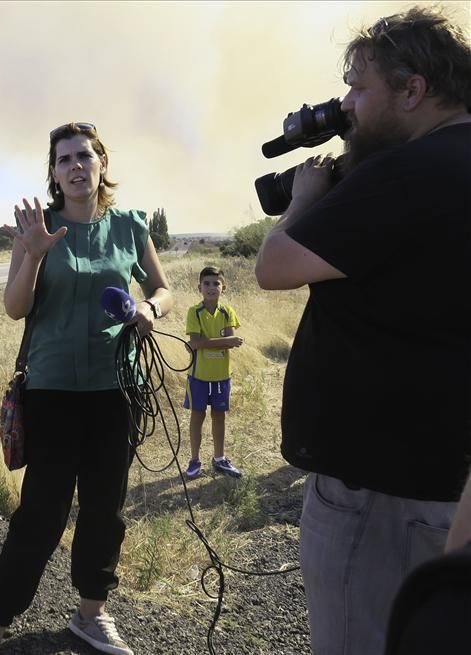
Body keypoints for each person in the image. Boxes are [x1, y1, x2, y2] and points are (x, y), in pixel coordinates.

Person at [254, 7, 471, 654]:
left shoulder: (404, 174)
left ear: (413, 90)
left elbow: (274, 267)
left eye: (357, 86)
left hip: (379, 495)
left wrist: (303, 198)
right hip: (444, 484)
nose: (344, 103)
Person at [0, 122, 174, 655]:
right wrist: (32, 253)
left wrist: (149, 307)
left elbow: (164, 289)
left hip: (116, 388)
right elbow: (16, 308)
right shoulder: (38, 228)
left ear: (102, 163)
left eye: (84, 155)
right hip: (52, 391)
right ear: (54, 174)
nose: (75, 166)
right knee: (42, 512)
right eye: (63, 160)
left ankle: (90, 615)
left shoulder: (130, 225)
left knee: (106, 507)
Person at [183, 266, 243, 480]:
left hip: (221, 376)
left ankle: (219, 459)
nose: (211, 287)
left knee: (219, 416)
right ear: (199, 287)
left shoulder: (227, 311)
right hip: (199, 376)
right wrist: (225, 341)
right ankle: (194, 460)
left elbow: (225, 344)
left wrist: (203, 343)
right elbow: (196, 343)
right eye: (206, 283)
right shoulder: (194, 312)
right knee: (197, 417)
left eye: (216, 283)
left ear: (223, 287)